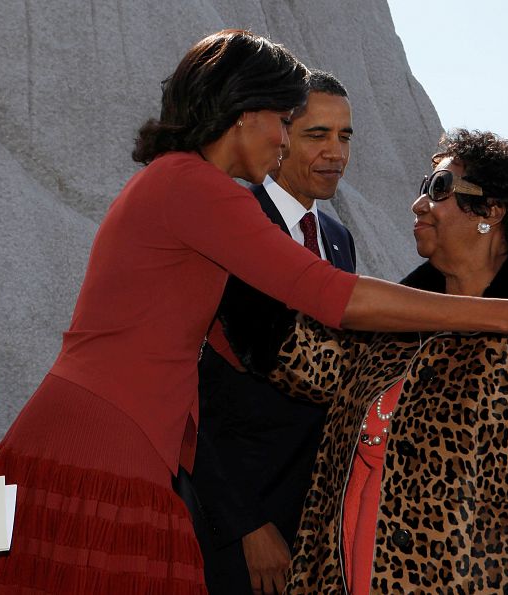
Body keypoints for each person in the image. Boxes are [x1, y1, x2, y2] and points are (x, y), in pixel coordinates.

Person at [0, 31, 508, 594]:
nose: (288, 139)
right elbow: (335, 298)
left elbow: (269, 347)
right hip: (101, 443)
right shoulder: (198, 188)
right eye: (285, 121)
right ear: (243, 114)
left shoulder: (179, 184)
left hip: (113, 438)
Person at [225, 130, 508, 593]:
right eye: (423, 189)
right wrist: (235, 231)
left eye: (439, 189)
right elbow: (299, 358)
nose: (420, 204)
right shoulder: (396, 323)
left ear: (491, 211)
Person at [182, 70, 356, 595]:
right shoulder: (232, 221)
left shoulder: (339, 238)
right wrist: (245, 525)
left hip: (314, 520)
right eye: (317, 134)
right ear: (281, 134)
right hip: (238, 522)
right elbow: (192, 385)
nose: (336, 152)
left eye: (345, 136)